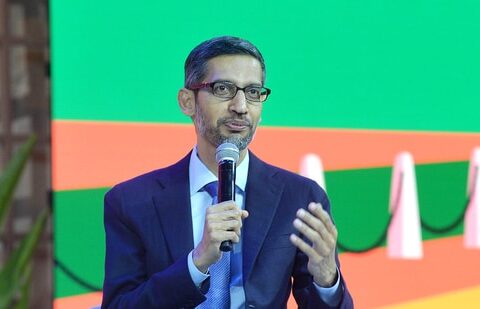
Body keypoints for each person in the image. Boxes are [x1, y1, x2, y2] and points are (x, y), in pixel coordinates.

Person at [102, 36, 353, 308]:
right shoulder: (131, 202)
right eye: (223, 89)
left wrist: (327, 279)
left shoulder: (299, 197)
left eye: (254, 92)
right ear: (187, 101)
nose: (241, 106)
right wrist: (196, 263)